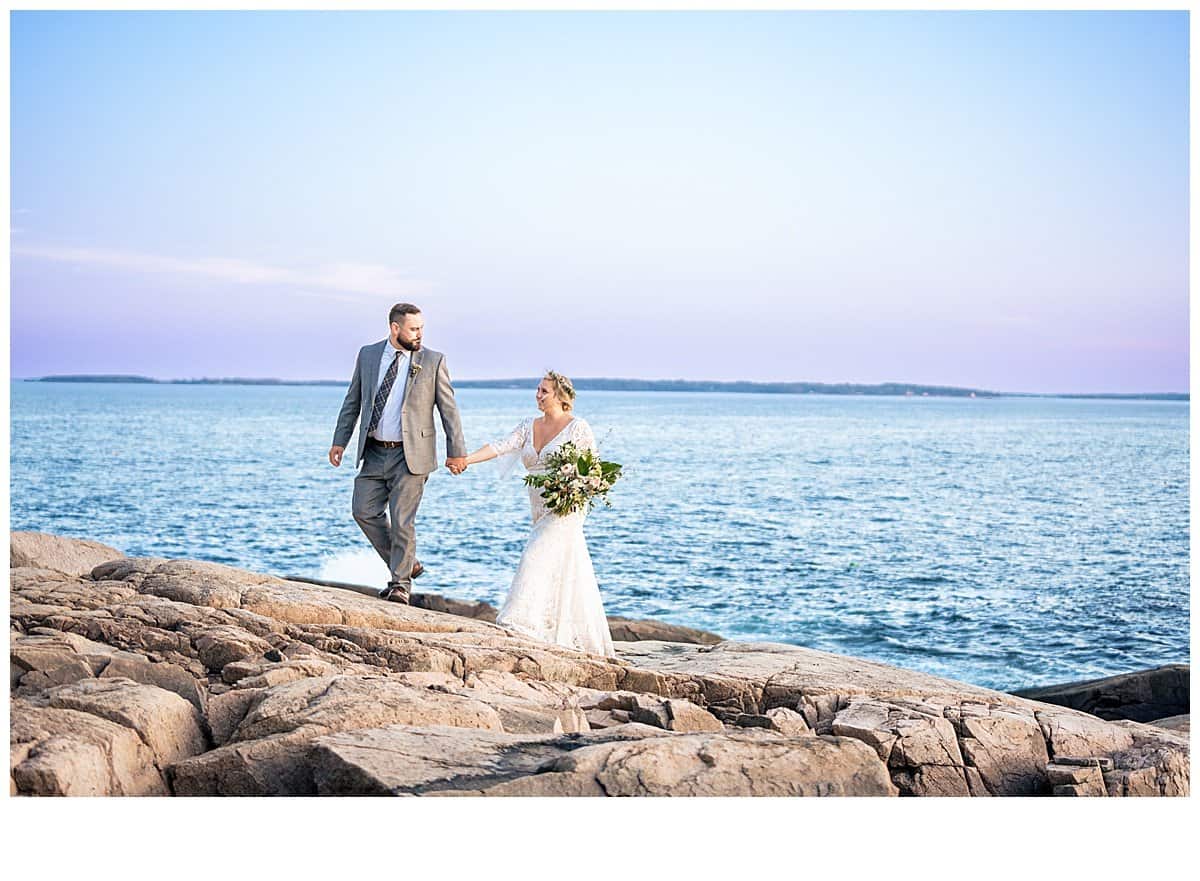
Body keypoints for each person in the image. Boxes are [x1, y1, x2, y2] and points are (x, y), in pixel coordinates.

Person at [462, 371, 615, 656]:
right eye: (537, 389)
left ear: (560, 396)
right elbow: (500, 446)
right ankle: (553, 627)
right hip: (539, 507)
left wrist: (572, 490)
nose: (538, 395)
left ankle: (519, 622)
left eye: (544, 391)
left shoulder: (577, 428)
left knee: (536, 554)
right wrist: (466, 460)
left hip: (566, 508)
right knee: (563, 565)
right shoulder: (528, 426)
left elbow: (592, 470)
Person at [328, 303, 468, 604]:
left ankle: (400, 584)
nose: (419, 335)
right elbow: (353, 400)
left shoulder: (432, 360)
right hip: (374, 450)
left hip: (411, 455)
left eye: (421, 329)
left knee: (402, 520)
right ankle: (407, 562)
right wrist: (340, 440)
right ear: (395, 328)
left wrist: (456, 451)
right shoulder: (368, 355)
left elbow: (449, 410)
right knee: (363, 510)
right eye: (413, 329)